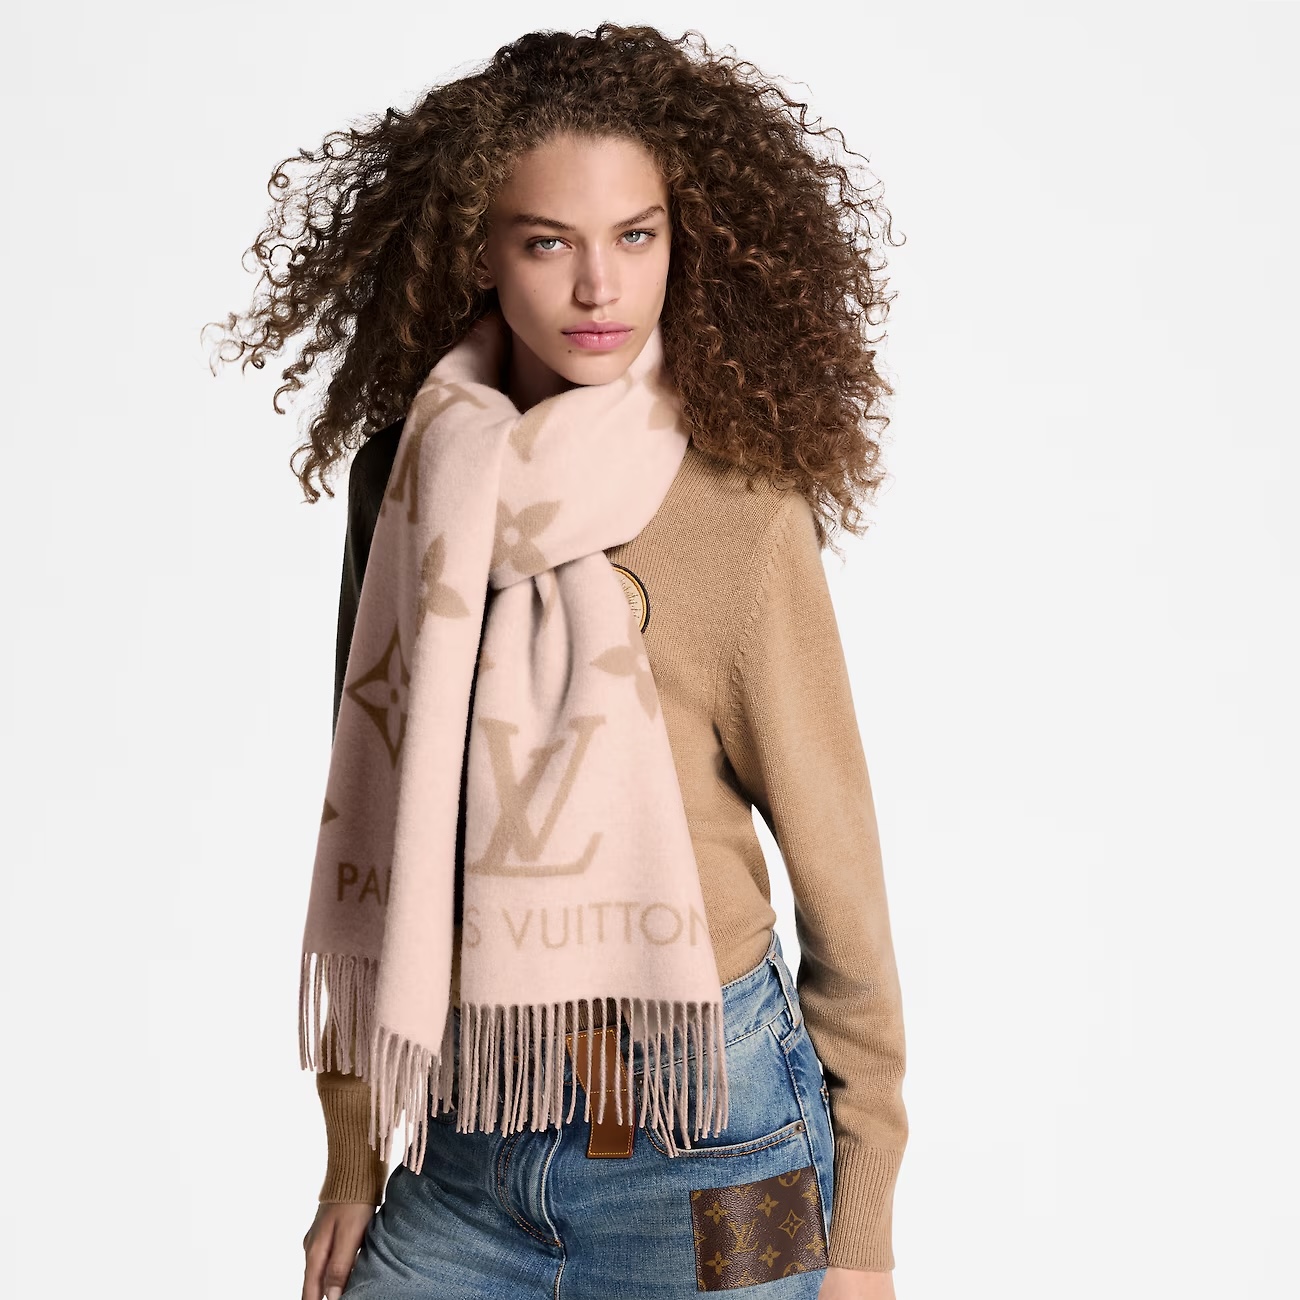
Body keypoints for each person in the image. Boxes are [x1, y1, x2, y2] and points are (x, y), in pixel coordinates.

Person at [213, 22, 906, 1300]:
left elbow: (841, 882)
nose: (600, 287)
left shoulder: (740, 508)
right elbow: (371, 814)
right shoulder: (407, 483)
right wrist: (353, 1155)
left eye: (635, 236)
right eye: (548, 242)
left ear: (682, 239)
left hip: (717, 1142)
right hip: (472, 1134)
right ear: (478, 248)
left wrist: (858, 1226)